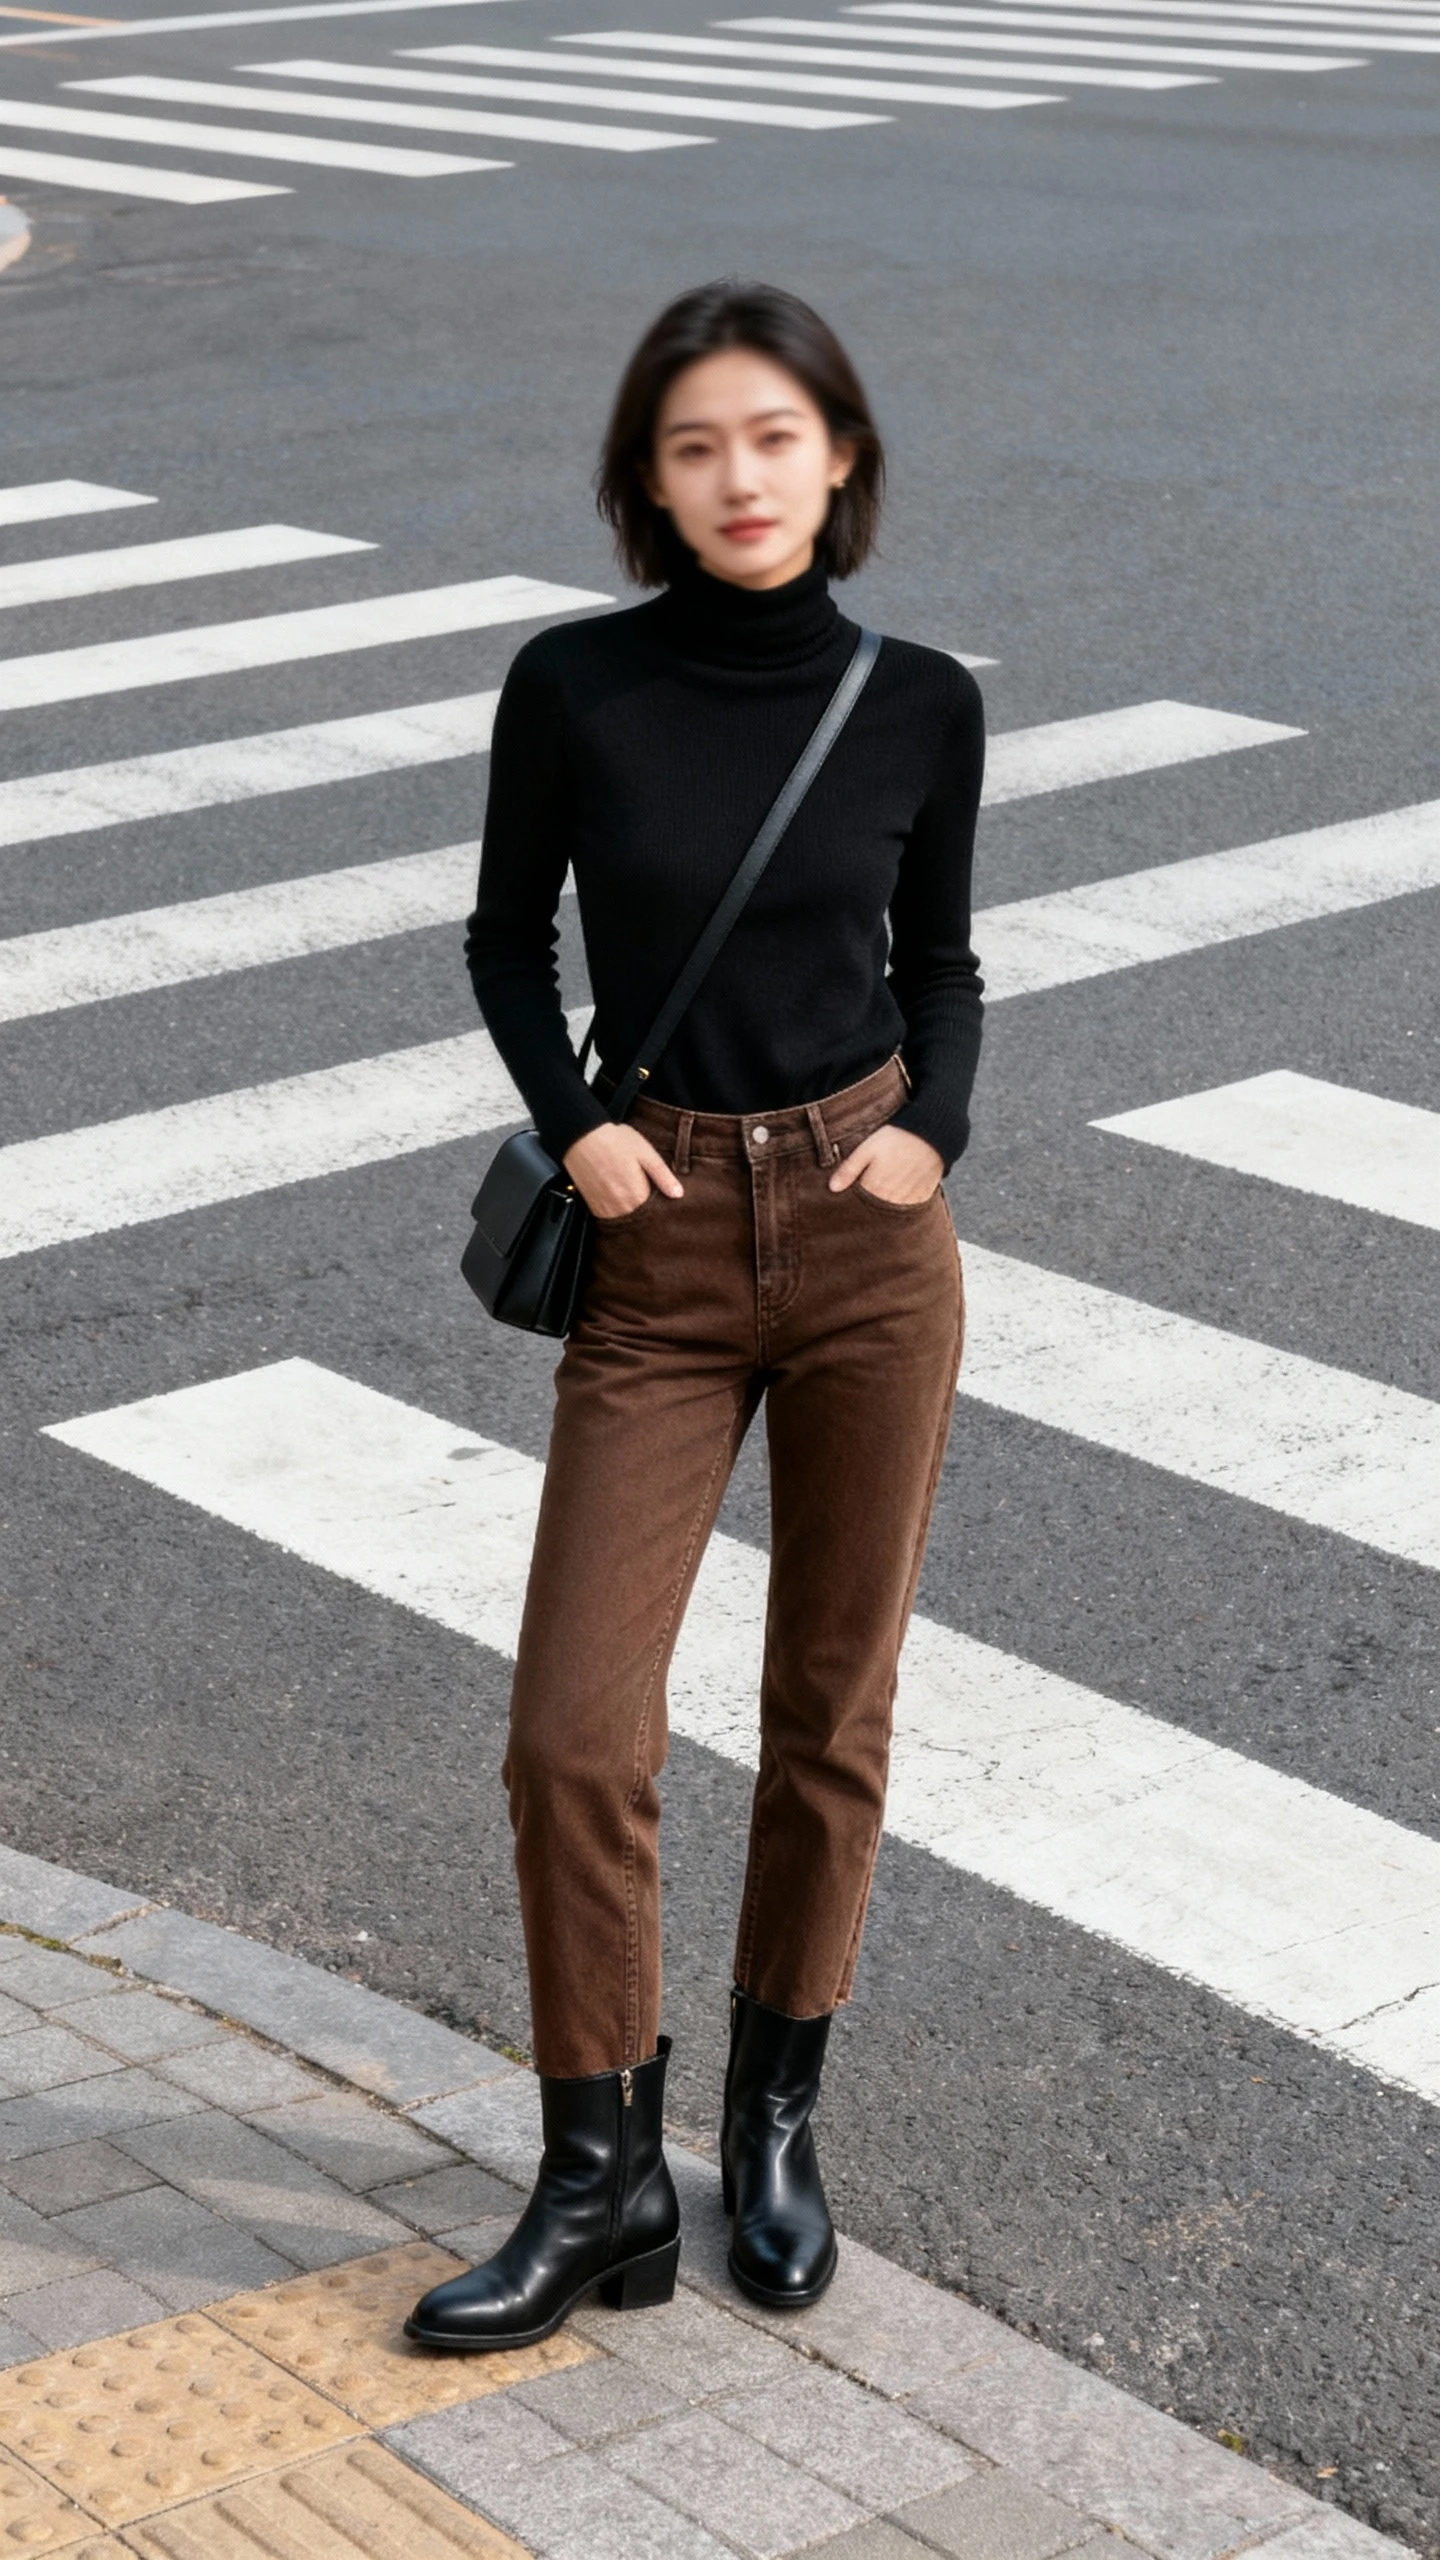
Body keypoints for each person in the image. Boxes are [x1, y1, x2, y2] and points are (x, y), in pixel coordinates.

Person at [408, 278, 984, 2353]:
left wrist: (940, 1135)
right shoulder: (574, 686)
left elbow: (944, 965)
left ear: (840, 456)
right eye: (693, 444)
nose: (739, 476)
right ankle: (597, 2170)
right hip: (653, 1246)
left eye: (772, 434)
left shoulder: (921, 699)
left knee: (831, 1712)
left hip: (863, 1234)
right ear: (646, 482)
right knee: (572, 1728)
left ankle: (774, 2118)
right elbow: (500, 937)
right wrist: (577, 1130)